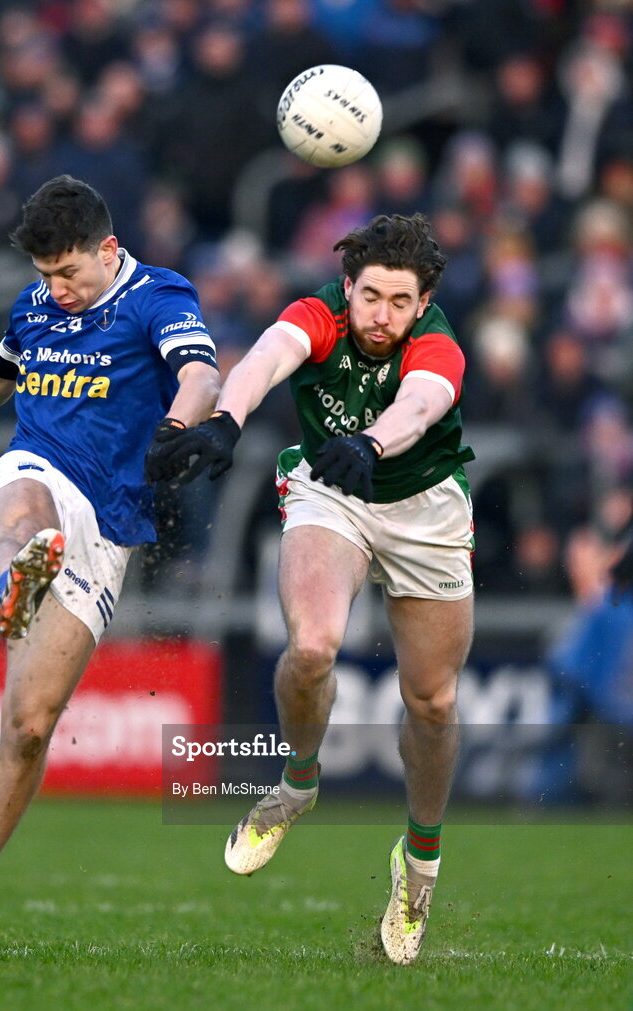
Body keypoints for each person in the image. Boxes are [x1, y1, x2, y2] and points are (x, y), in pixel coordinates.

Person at [152, 213, 475, 965]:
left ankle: (417, 866)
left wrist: (370, 441)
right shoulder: (320, 312)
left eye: (398, 302)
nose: (380, 317)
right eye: (369, 298)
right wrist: (228, 420)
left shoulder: (438, 342)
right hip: (331, 488)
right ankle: (297, 784)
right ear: (348, 287)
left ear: (422, 301)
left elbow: (422, 402)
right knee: (311, 647)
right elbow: (267, 356)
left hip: (423, 504)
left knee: (432, 700)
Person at [0, 175, 220, 961]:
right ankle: (17, 573)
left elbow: (199, 372)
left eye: (68, 274)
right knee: (16, 519)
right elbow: (0, 367)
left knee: (26, 728)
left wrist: (182, 423)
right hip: (37, 470)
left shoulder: (156, 296)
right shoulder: (35, 306)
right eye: (44, 276)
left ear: (108, 250)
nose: (55, 290)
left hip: (108, 524)